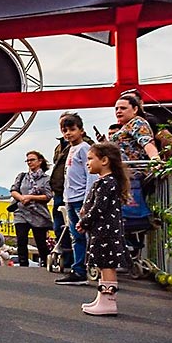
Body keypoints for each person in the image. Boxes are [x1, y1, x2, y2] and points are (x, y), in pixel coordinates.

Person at [77, 142, 131, 316]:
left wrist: (84, 221)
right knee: (102, 263)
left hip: (106, 232)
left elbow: (99, 208)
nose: (88, 163)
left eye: (91, 159)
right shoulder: (105, 182)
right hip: (102, 231)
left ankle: (108, 301)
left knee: (107, 264)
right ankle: (102, 298)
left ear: (105, 160)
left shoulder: (108, 182)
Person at [55, 113, 98, 285]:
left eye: (72, 129)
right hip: (70, 199)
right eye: (65, 130)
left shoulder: (85, 148)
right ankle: (78, 269)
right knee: (76, 236)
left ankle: (91, 267)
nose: (68, 134)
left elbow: (91, 175)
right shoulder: (70, 149)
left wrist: (88, 200)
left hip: (81, 199)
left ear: (81, 130)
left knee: (88, 235)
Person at [10, 151, 54, 268]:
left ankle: (45, 262)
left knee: (40, 241)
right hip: (21, 211)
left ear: (40, 161)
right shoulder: (22, 176)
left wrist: (30, 197)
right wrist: (21, 198)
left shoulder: (46, 179)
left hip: (38, 212)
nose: (30, 162)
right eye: (28, 160)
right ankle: (23, 264)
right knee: (21, 239)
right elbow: (14, 190)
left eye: (32, 160)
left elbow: (48, 196)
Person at [111, 94, 158, 161]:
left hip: (135, 169)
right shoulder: (126, 126)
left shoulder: (137, 122)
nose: (118, 111)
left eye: (123, 108)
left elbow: (146, 142)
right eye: (116, 109)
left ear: (135, 109)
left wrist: (155, 159)